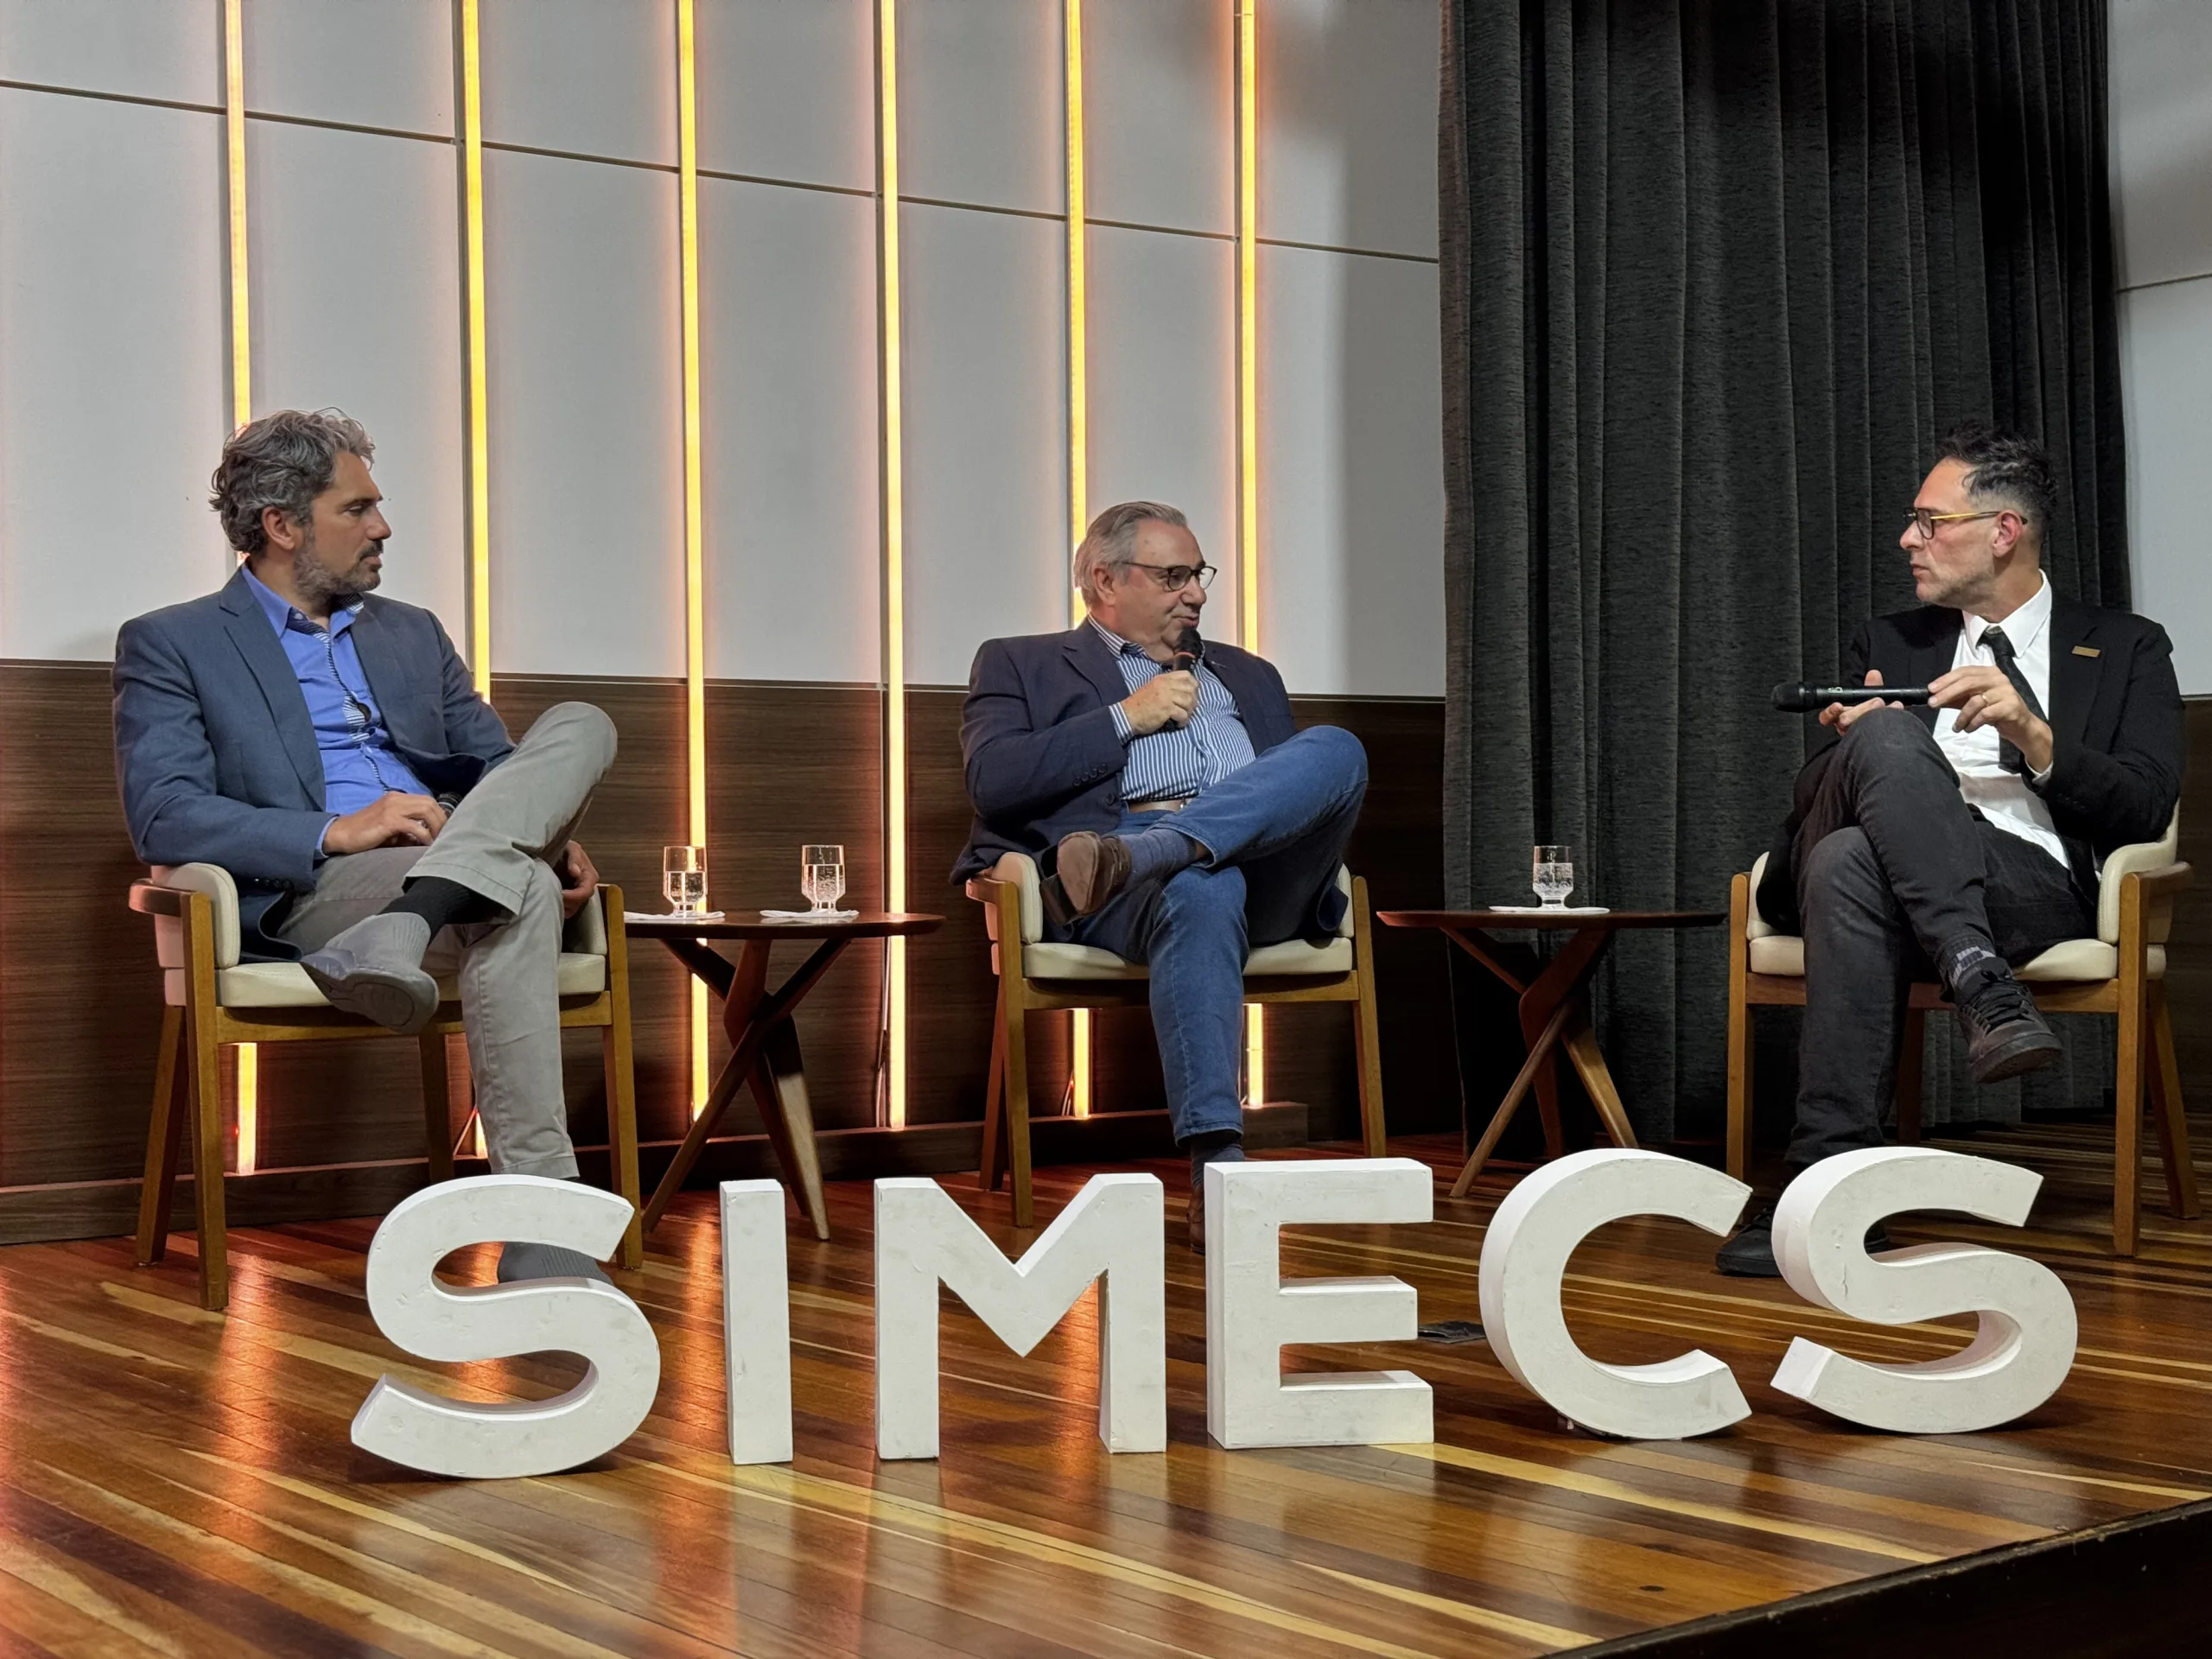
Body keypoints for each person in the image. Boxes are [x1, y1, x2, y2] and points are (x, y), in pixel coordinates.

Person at [113, 409, 620, 1283]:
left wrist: (544, 829)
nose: (383, 527)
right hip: (322, 886)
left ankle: (411, 922)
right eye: (358, 509)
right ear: (282, 525)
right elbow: (164, 814)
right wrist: (335, 829)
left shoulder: (411, 631)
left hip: (448, 857)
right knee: (522, 888)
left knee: (584, 723)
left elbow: (501, 765)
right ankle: (541, 1217)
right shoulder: (174, 641)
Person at [1716, 423, 2185, 1276]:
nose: (1909, 539)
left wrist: (2032, 732)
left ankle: (1824, 1182)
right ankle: (1982, 987)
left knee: (1848, 865)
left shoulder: (2126, 646)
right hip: (1883, 844)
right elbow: (1819, 794)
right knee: (1884, 749)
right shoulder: (1891, 640)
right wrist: (1861, 744)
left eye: (1929, 522)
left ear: (2003, 530)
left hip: (2023, 880)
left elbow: (2145, 804)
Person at [955, 500, 1370, 1249]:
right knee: (1202, 885)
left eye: (1199, 575)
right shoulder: (1019, 661)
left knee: (1338, 747)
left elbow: (1292, 795)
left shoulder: (1250, 674)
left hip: (1256, 872)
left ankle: (1163, 849)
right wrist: (1127, 716)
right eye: (1174, 576)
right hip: (1119, 886)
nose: (1197, 594)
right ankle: (1220, 1170)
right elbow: (995, 781)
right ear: (1104, 580)